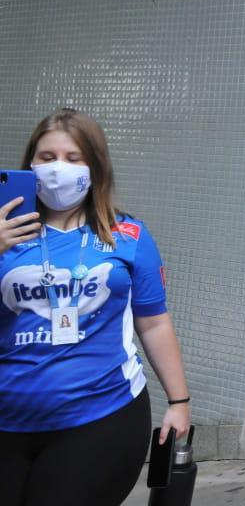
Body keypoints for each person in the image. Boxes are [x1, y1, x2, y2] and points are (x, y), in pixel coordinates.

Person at [0, 108, 192, 505]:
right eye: (47, 157)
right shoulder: (4, 234)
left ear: (96, 168)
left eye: (74, 158)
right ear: (29, 165)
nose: (58, 169)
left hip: (101, 416)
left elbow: (153, 323)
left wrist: (179, 402)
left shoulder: (128, 236)